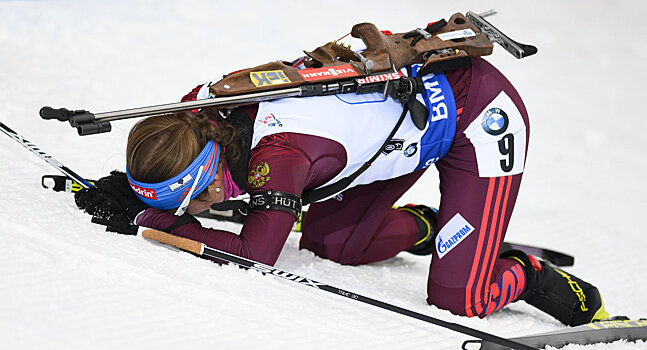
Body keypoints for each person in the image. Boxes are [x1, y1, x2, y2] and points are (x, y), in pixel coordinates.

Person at [75, 55, 609, 327]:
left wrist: (158, 221)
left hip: (478, 120)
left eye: (188, 200)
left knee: (458, 299)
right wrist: (135, 191)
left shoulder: (279, 160)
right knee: (334, 246)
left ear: (206, 176)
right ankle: (426, 225)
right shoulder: (194, 113)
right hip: (406, 124)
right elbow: (173, 161)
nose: (192, 212)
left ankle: (532, 278)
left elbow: (257, 256)